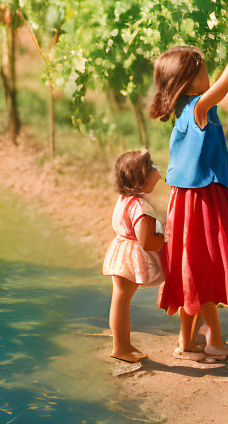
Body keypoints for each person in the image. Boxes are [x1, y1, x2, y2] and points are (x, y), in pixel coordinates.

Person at [150, 31, 228, 364]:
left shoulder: (194, 109)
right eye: (202, 70)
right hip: (199, 201)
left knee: (197, 272)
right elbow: (224, 86)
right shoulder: (196, 109)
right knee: (201, 269)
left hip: (193, 199)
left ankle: (198, 342)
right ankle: (203, 341)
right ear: (187, 81)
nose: (208, 74)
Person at [102, 148, 166, 363]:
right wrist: (166, 238)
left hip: (120, 249)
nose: (156, 171)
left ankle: (123, 344)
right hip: (129, 257)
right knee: (121, 300)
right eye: (151, 169)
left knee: (120, 300)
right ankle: (120, 347)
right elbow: (146, 240)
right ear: (140, 181)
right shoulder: (140, 206)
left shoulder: (124, 199)